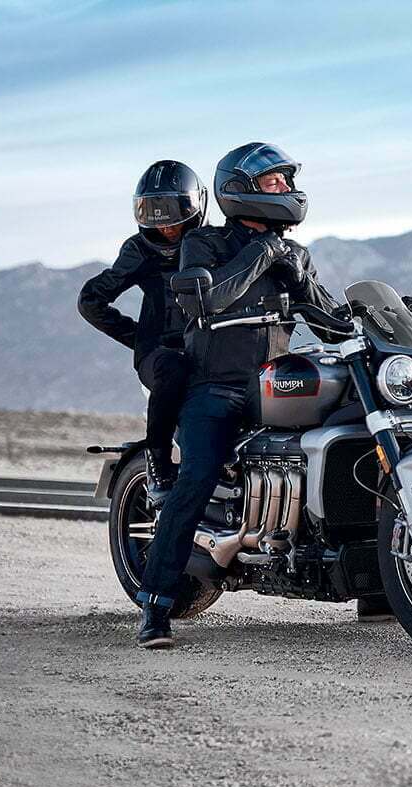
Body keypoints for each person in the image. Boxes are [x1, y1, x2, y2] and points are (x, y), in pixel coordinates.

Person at [135, 142, 347, 649]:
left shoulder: (294, 254)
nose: (286, 189)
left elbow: (332, 323)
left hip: (274, 386)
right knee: (197, 479)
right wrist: (261, 255)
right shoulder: (204, 245)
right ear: (243, 190)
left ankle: (375, 584)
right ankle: (156, 608)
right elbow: (208, 301)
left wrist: (373, 317)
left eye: (286, 182)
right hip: (217, 388)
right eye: (275, 182)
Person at [79, 160, 207, 506]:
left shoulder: (213, 244)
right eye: (154, 212)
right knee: (172, 368)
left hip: (212, 350)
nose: (165, 224)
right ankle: (159, 464)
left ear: (194, 205)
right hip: (161, 357)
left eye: (172, 212)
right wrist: (142, 340)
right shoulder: (139, 250)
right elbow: (92, 301)